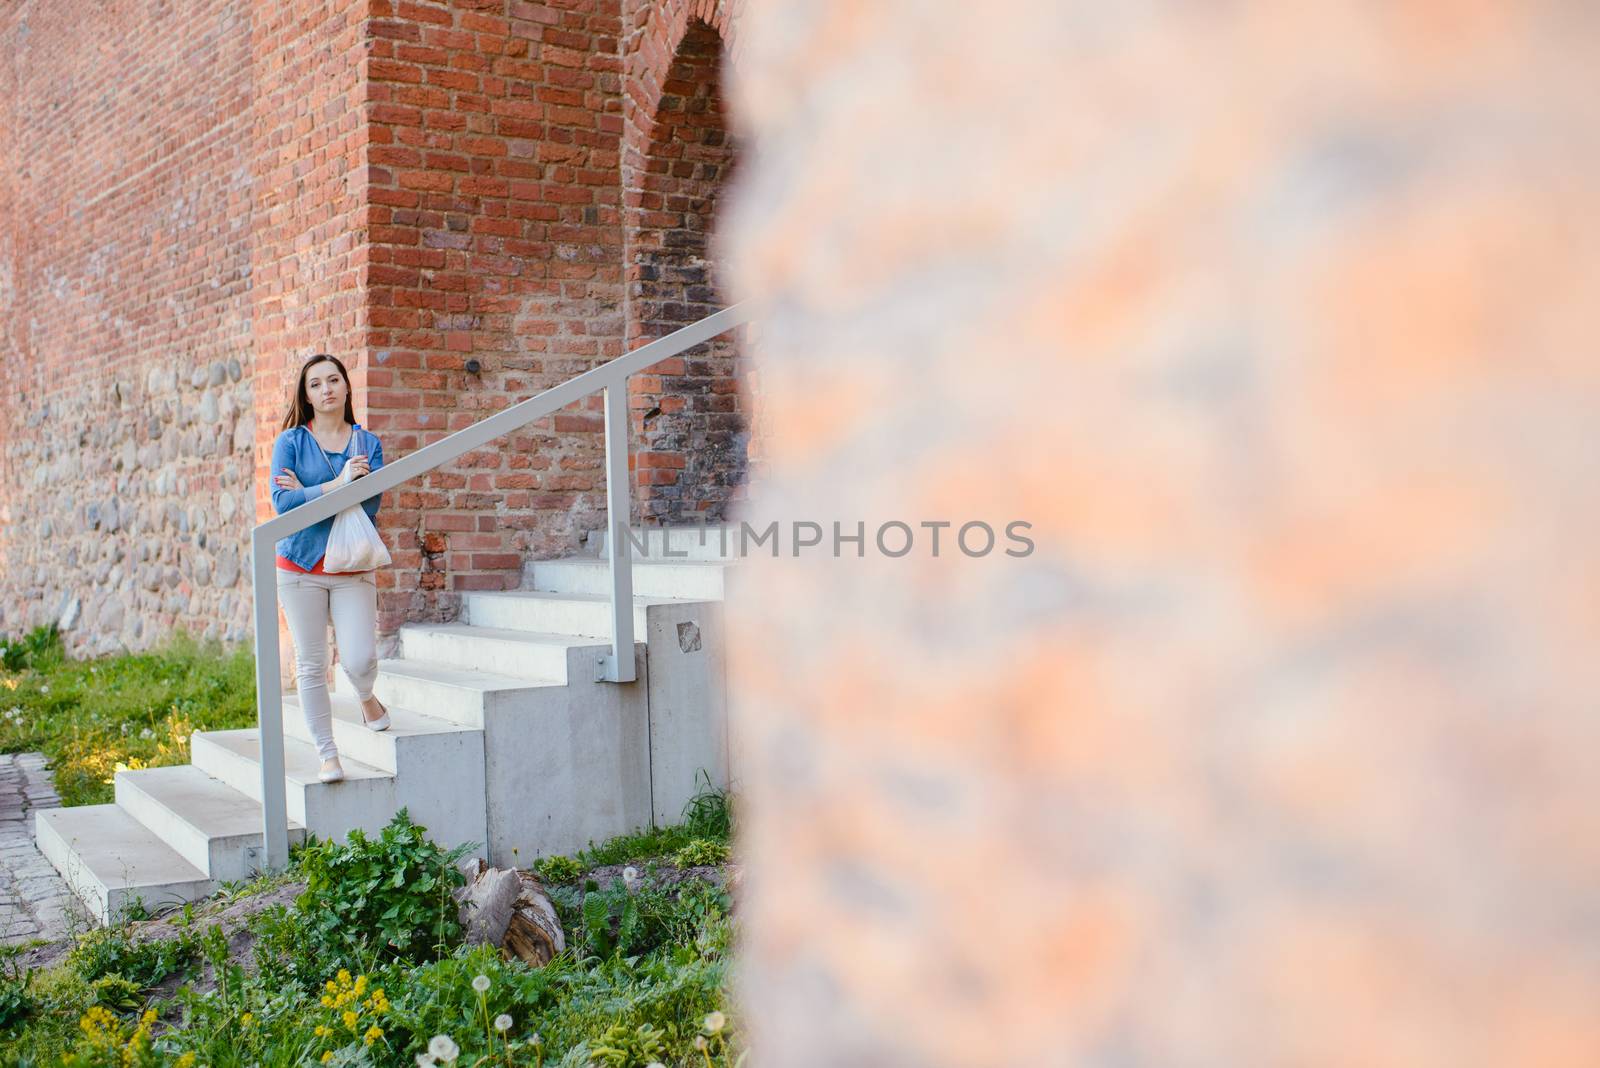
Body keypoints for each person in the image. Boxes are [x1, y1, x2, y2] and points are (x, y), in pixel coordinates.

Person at [270, 353, 391, 783]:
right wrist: (339, 485)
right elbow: (283, 506)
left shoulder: (367, 444)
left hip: (352, 565)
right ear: (306, 394)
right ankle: (328, 755)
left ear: (346, 387)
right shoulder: (290, 443)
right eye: (316, 383)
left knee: (359, 659)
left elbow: (369, 507)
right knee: (310, 662)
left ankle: (365, 695)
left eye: (334, 380)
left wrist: (311, 492)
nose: (326, 389)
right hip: (298, 564)